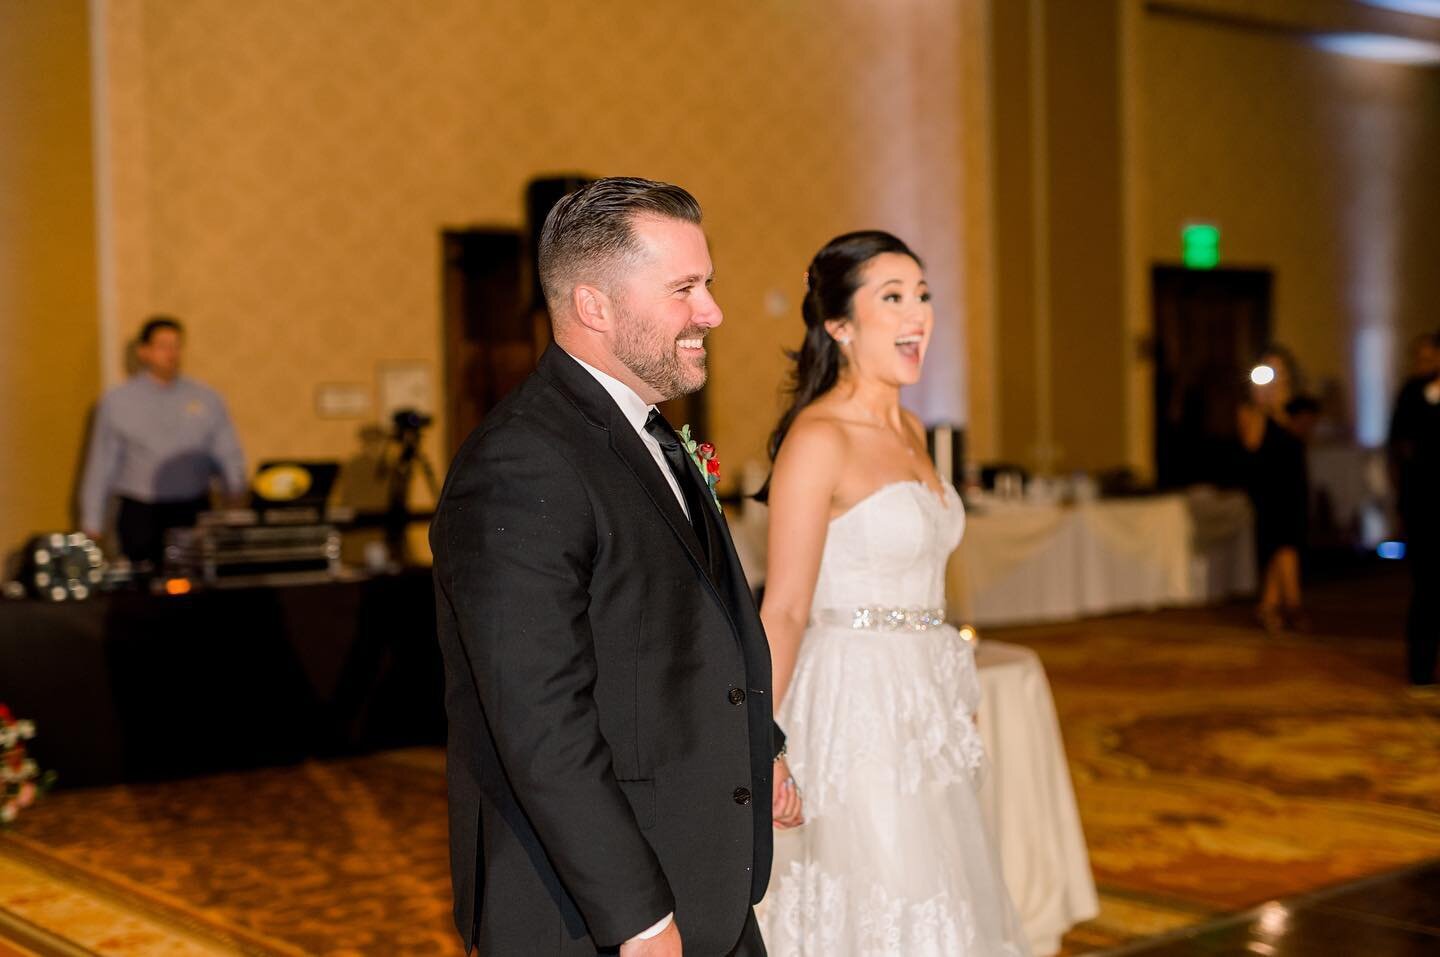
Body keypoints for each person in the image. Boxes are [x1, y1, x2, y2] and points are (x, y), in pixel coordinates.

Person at [430, 177, 802, 957]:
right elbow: (539, 722)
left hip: (701, 879)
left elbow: (692, 625)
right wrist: (637, 916)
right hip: (593, 911)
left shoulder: (651, 433)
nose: (713, 312)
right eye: (685, 290)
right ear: (595, 306)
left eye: (708, 285)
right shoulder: (522, 461)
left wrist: (756, 744)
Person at [755, 231, 1029, 956]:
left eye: (924, 295)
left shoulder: (911, 427)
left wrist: (951, 690)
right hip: (853, 707)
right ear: (840, 326)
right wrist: (761, 737)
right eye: (894, 298)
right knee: (887, 901)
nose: (919, 316)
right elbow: (782, 608)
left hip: (925, 706)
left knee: (943, 893)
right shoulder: (818, 439)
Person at [78, 316, 247, 568]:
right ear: (143, 351)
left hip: (192, 510)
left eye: (177, 345)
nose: (171, 353)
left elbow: (227, 452)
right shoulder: (118, 401)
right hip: (141, 512)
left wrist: (235, 494)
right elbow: (101, 465)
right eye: (163, 346)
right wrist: (92, 524)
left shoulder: (206, 398)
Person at [1238, 348, 1310, 634]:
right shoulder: (1249, 409)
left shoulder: (1297, 406)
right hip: (1267, 487)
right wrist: (1262, 407)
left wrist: (1279, 407)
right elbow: (1252, 443)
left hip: (1293, 483)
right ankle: (1294, 603)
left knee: (1284, 546)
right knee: (1282, 545)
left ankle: (1268, 606)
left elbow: (1301, 434)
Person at [1388, 329, 1440, 691]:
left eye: (1427, 356)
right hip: (1421, 503)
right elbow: (1397, 443)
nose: (1420, 363)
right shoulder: (1410, 393)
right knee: (1424, 586)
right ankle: (1420, 669)